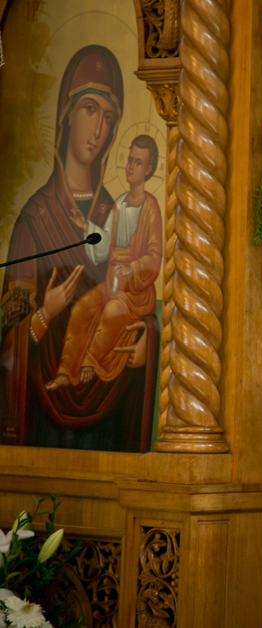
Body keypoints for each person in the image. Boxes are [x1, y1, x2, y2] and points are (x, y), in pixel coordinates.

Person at [0, 45, 158, 452]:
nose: (99, 129)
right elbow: (6, 328)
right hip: (41, 423)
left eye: (109, 117)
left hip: (110, 406)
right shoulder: (34, 219)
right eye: (90, 109)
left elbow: (142, 296)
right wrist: (44, 314)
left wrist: (147, 343)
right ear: (65, 116)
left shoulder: (118, 210)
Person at [47, 135, 163, 389]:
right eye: (129, 160)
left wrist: (132, 268)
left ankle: (90, 361)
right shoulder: (119, 204)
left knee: (112, 312)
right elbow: (105, 245)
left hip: (135, 292)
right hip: (112, 282)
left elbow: (155, 256)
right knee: (81, 308)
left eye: (137, 162)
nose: (130, 166)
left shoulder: (151, 208)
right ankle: (66, 371)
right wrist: (85, 226)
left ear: (149, 169)